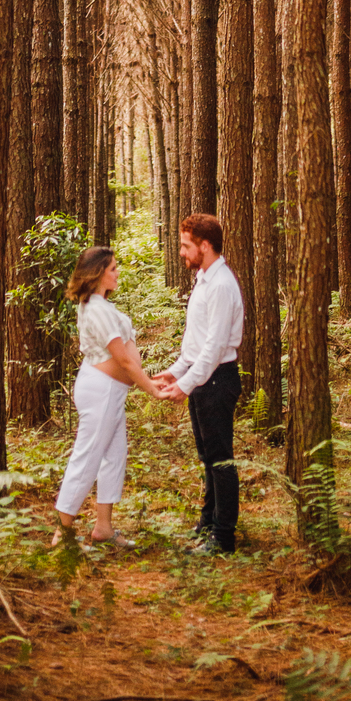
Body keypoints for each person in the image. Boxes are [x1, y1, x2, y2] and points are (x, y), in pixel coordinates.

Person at [51, 245, 162, 548]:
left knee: (114, 457)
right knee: (87, 457)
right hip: (100, 390)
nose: (117, 272)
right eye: (113, 268)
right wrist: (151, 388)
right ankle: (62, 534)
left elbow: (128, 353)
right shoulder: (97, 309)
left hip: (112, 392)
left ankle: (103, 527)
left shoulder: (104, 306)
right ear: (99, 272)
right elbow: (123, 360)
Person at [153, 212, 245, 556]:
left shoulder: (221, 285)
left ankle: (223, 537)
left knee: (221, 459)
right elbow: (197, 341)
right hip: (203, 376)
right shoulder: (204, 279)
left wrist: (187, 383)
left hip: (218, 380)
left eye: (186, 245)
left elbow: (216, 346)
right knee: (207, 456)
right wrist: (176, 371)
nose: (181, 252)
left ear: (205, 246)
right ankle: (208, 522)